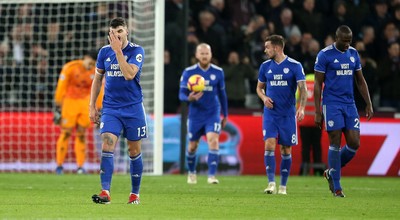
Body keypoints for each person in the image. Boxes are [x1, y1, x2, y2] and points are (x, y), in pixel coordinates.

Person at [89, 17, 147, 205]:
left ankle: (134, 194)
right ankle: (105, 192)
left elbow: (129, 74)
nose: (116, 36)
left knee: (133, 150)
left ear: (127, 32)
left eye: (120, 31)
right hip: (111, 108)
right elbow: (97, 80)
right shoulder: (104, 52)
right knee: (107, 144)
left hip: (133, 108)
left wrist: (118, 52)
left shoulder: (137, 51)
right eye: (113, 33)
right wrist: (92, 105)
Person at [314, 25, 373, 198]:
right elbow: (318, 84)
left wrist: (368, 103)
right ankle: (337, 187)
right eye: (344, 41)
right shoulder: (324, 55)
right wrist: (318, 111)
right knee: (335, 141)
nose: (347, 44)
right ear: (336, 38)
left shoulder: (353, 54)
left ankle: (332, 171)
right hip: (332, 103)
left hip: (350, 103)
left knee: (354, 143)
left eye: (350, 41)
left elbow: (360, 81)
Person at [256, 35, 307, 195]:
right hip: (271, 114)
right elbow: (259, 88)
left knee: (286, 149)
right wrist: (264, 98)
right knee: (269, 144)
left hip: (287, 114)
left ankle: (283, 186)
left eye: (267, 47)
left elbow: (303, 89)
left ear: (277, 48)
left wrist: (302, 108)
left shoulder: (295, 65)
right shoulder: (265, 67)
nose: (265, 50)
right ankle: (271, 183)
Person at [179, 43, 228, 184]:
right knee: (192, 146)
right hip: (195, 115)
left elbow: (222, 95)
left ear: (211, 55)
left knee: (213, 140)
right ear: (196, 55)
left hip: (213, 113)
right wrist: (189, 98)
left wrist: (225, 115)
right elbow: (181, 94)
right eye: (202, 53)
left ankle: (211, 176)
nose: (204, 56)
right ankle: (192, 172)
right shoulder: (189, 72)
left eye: (207, 53)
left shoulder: (218, 72)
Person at [53, 50, 98, 175]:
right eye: (90, 63)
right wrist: (57, 105)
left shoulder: (95, 71)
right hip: (69, 103)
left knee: (82, 134)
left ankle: (80, 166)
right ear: (85, 57)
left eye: (93, 64)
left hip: (84, 103)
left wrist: (98, 107)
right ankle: (59, 165)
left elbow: (98, 89)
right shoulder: (70, 68)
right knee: (66, 133)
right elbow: (61, 86)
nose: (90, 66)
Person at [297, 73, 324, 176]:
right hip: (317, 120)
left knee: (305, 146)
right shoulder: (321, 83)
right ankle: (318, 170)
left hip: (303, 120)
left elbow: (296, 99)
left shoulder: (301, 82)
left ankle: (305, 169)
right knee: (317, 145)